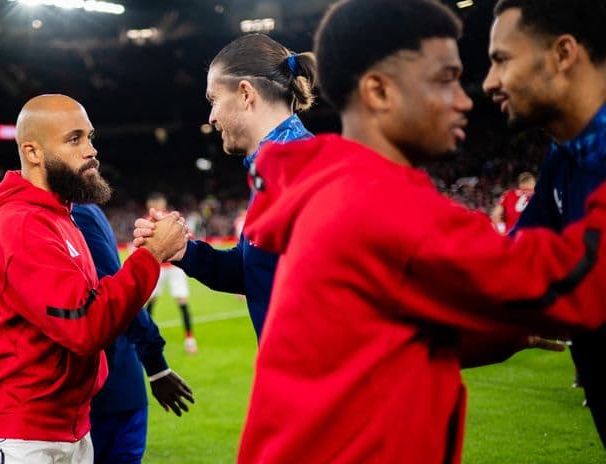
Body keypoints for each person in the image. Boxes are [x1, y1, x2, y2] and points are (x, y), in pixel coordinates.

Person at [215, 0, 606, 462]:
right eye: (446, 79)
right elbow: (581, 284)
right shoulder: (379, 206)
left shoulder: (335, 188)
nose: (468, 97)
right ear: (378, 91)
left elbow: (400, 343)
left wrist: (507, 329)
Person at [0, 94, 187, 463]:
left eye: (90, 137)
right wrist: (150, 256)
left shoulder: (60, 217)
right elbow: (85, 325)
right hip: (17, 432)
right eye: (74, 139)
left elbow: (95, 303)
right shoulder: (21, 224)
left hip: (64, 423)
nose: (91, 150)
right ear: (32, 153)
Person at [133, 33, 315, 339]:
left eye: (213, 100)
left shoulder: (304, 171)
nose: (212, 117)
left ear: (245, 93)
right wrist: (183, 251)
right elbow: (251, 272)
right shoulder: (272, 171)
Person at [482, 0, 606, 447]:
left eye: (502, 60)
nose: (489, 82)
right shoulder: (565, 155)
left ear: (564, 53)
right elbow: (514, 266)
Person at [72, 202, 194, 464]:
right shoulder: (83, 209)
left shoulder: (76, 212)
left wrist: (155, 362)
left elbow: (117, 294)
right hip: (116, 384)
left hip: (102, 390)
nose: (93, 158)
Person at [143, 193, 197, 353]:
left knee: (179, 300)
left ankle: (189, 339)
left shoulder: (168, 218)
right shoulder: (149, 220)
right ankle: (147, 338)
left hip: (172, 266)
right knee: (152, 301)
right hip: (160, 266)